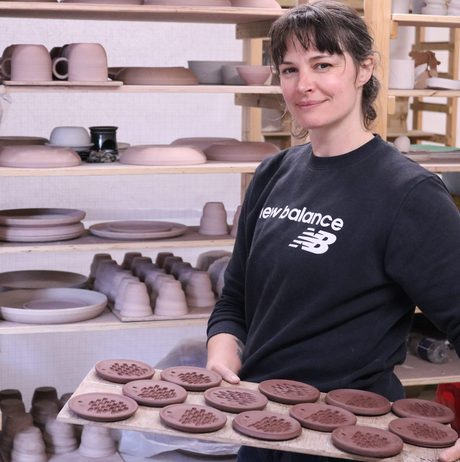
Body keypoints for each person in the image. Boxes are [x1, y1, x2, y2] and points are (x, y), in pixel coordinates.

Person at [206, 1, 460, 461]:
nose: (303, 85)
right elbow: (235, 298)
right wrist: (222, 351)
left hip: (352, 437)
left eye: (323, 64)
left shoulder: (409, 193)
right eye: (289, 69)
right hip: (260, 426)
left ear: (365, 68)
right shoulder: (274, 172)